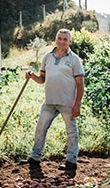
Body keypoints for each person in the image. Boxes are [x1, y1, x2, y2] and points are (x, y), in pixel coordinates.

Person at [20, 28, 85, 170]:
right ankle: (35, 157)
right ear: (55, 39)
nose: (62, 41)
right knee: (40, 128)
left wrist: (77, 104)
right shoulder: (47, 57)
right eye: (59, 38)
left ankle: (71, 161)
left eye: (65, 39)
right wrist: (32, 75)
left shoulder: (74, 59)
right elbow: (42, 79)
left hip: (67, 102)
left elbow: (80, 84)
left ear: (70, 42)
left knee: (71, 131)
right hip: (49, 101)